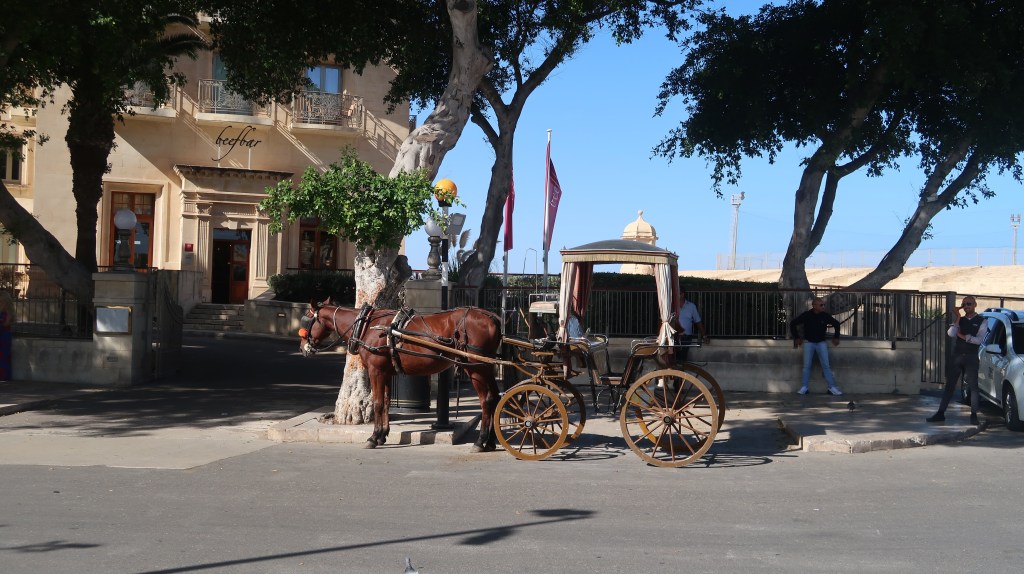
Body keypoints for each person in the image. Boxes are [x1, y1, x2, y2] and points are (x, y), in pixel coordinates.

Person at [927, 295, 987, 425]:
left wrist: (962, 336)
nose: (966, 306)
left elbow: (978, 340)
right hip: (957, 356)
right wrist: (958, 317)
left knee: (973, 387)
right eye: (964, 304)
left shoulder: (982, 321)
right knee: (950, 386)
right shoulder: (960, 319)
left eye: (969, 304)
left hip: (971, 357)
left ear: (975, 305)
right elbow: (951, 333)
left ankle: (974, 415)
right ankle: (940, 413)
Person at [790, 297, 842, 396]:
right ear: (814, 306)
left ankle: (832, 387)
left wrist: (836, 337)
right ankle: (804, 387)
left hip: (821, 343)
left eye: (823, 305)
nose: (823, 307)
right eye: (821, 305)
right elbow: (793, 323)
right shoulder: (807, 315)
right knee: (806, 366)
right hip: (809, 343)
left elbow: (836, 324)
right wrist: (796, 337)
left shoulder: (825, 316)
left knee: (826, 366)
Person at [672, 287, 708, 363]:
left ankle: (681, 369)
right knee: (673, 358)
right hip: (673, 336)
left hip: (686, 337)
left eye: (677, 293)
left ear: (682, 294)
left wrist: (704, 336)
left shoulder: (691, 306)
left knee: (682, 358)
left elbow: (698, 321)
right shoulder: (671, 306)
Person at [0, 290, 13, 381]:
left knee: (4, 356)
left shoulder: (8, 312)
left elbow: (6, 324)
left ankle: (4, 376)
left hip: (4, 336)